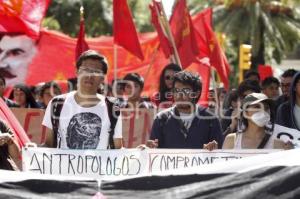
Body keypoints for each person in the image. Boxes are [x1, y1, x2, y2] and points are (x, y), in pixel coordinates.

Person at [42, 50, 123, 149]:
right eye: (86, 70)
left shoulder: (112, 107)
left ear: (102, 78)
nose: (90, 76)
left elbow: (118, 149)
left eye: (96, 72)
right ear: (77, 72)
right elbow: (48, 144)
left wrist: (140, 154)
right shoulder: (57, 104)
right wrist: (31, 149)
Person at [147, 71, 223, 149]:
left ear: (196, 93)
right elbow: (153, 152)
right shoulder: (161, 119)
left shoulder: (211, 119)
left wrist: (212, 150)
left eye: (186, 91)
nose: (180, 95)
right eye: (176, 90)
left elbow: (219, 152)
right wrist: (146, 149)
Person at [223, 93, 291, 149]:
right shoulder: (232, 140)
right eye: (257, 107)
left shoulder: (278, 144)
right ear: (245, 112)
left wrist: (290, 154)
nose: (263, 111)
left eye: (266, 108)